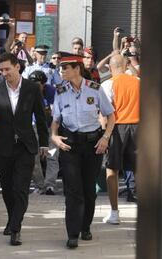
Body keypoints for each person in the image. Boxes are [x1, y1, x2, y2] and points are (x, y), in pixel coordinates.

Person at [0, 53, 49, 246]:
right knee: (7, 190)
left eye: (7, 69)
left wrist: (44, 143)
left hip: (26, 146)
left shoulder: (32, 88)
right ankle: (12, 219)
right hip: (4, 146)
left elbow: (41, 116)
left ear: (17, 67)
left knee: (20, 188)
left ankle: (15, 228)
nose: (4, 73)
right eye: (1, 70)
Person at [50, 53, 115, 249]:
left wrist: (105, 138)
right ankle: (72, 233)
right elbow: (55, 121)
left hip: (92, 145)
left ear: (77, 69)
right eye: (60, 68)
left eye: (65, 68)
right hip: (70, 145)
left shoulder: (95, 89)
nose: (61, 71)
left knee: (88, 190)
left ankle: (85, 226)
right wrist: (54, 136)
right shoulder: (60, 92)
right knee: (72, 191)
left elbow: (110, 116)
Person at [101, 54, 140, 224]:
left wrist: (105, 135)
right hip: (139, 127)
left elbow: (105, 114)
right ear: (125, 66)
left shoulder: (108, 84)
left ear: (110, 68)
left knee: (112, 170)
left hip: (116, 128)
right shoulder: (139, 82)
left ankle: (115, 213)